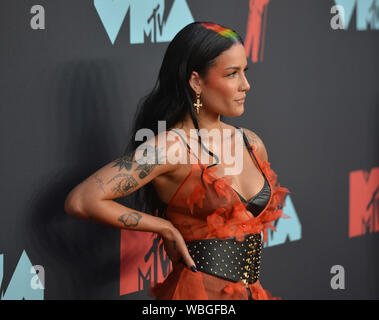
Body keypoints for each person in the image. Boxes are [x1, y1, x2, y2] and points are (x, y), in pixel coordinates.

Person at [64, 21, 290, 300]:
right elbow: (82, 200)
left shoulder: (252, 143)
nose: (246, 85)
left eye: (245, 71)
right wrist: (164, 227)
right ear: (196, 81)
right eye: (232, 74)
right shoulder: (171, 148)